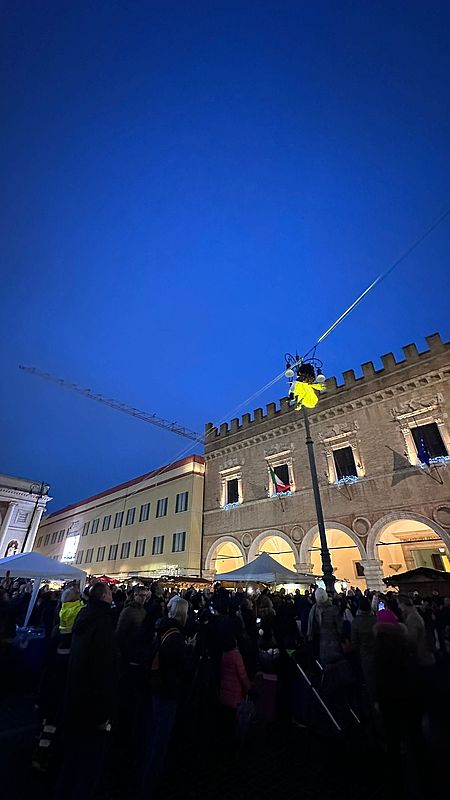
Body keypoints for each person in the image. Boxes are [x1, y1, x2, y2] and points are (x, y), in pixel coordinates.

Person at [56, 581, 119, 799]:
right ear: (103, 597)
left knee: (72, 758)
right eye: (110, 592)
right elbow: (103, 669)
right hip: (92, 706)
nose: (112, 595)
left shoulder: (83, 617)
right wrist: (103, 713)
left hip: (75, 697)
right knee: (89, 763)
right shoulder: (102, 623)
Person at [142, 596, 190, 794]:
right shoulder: (175, 637)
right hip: (167, 690)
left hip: (157, 688)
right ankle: (151, 782)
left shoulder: (161, 629)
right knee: (160, 736)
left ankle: (148, 775)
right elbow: (180, 667)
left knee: (155, 731)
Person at [218, 633, 251, 749]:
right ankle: (233, 746)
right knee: (233, 723)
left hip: (224, 693)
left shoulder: (223, 654)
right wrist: (249, 687)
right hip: (235, 694)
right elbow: (242, 675)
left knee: (225, 722)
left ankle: (224, 744)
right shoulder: (236, 656)